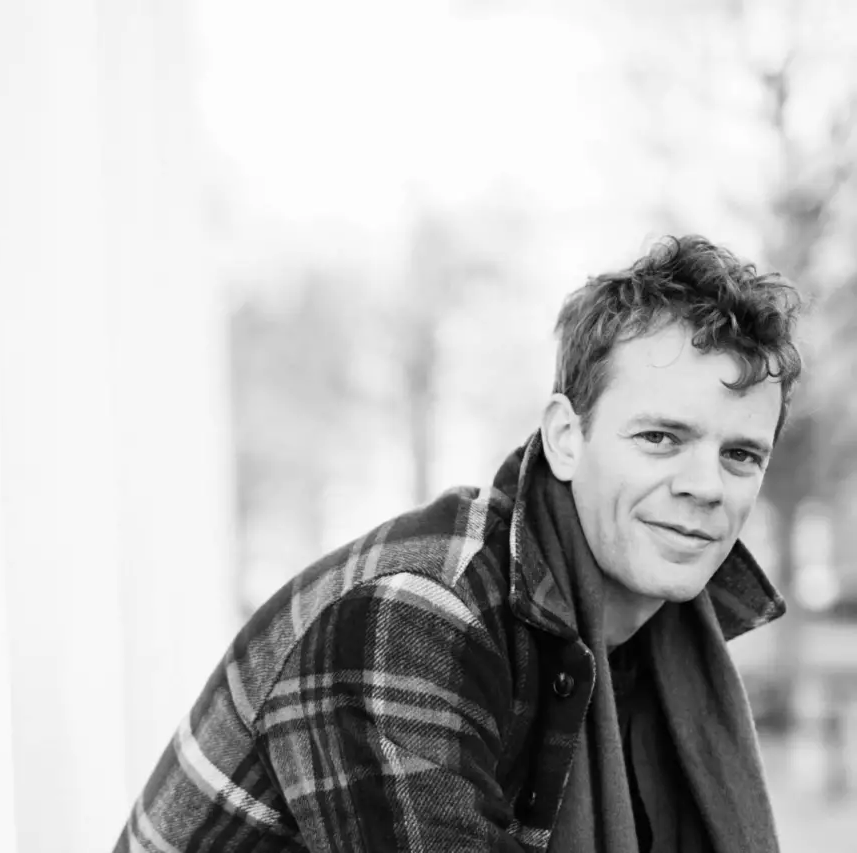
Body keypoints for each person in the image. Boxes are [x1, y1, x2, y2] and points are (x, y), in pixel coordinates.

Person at [114, 235, 802, 853]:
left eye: (741, 455)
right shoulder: (413, 615)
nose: (706, 486)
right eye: (660, 438)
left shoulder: (653, 642)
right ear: (566, 438)